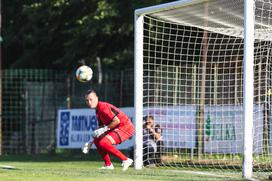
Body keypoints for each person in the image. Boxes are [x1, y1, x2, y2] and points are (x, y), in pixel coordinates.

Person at [83, 90, 134, 171]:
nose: (89, 102)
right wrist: (90, 141)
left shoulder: (103, 107)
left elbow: (117, 121)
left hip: (125, 127)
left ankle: (126, 160)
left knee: (104, 142)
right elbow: (100, 127)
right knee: (97, 140)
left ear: (96, 98)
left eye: (91, 99)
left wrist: (104, 129)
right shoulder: (97, 110)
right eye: (87, 100)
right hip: (116, 127)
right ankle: (108, 165)